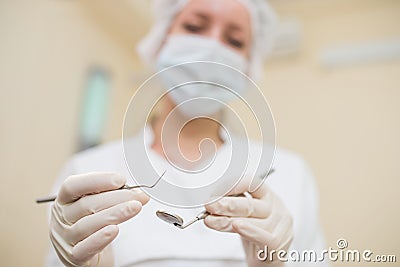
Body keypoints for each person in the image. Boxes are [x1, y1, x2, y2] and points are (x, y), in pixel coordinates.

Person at [45, 0, 327, 266]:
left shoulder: (289, 174)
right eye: (194, 27)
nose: (212, 49)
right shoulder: (87, 171)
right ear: (161, 40)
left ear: (248, 67)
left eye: (235, 41)